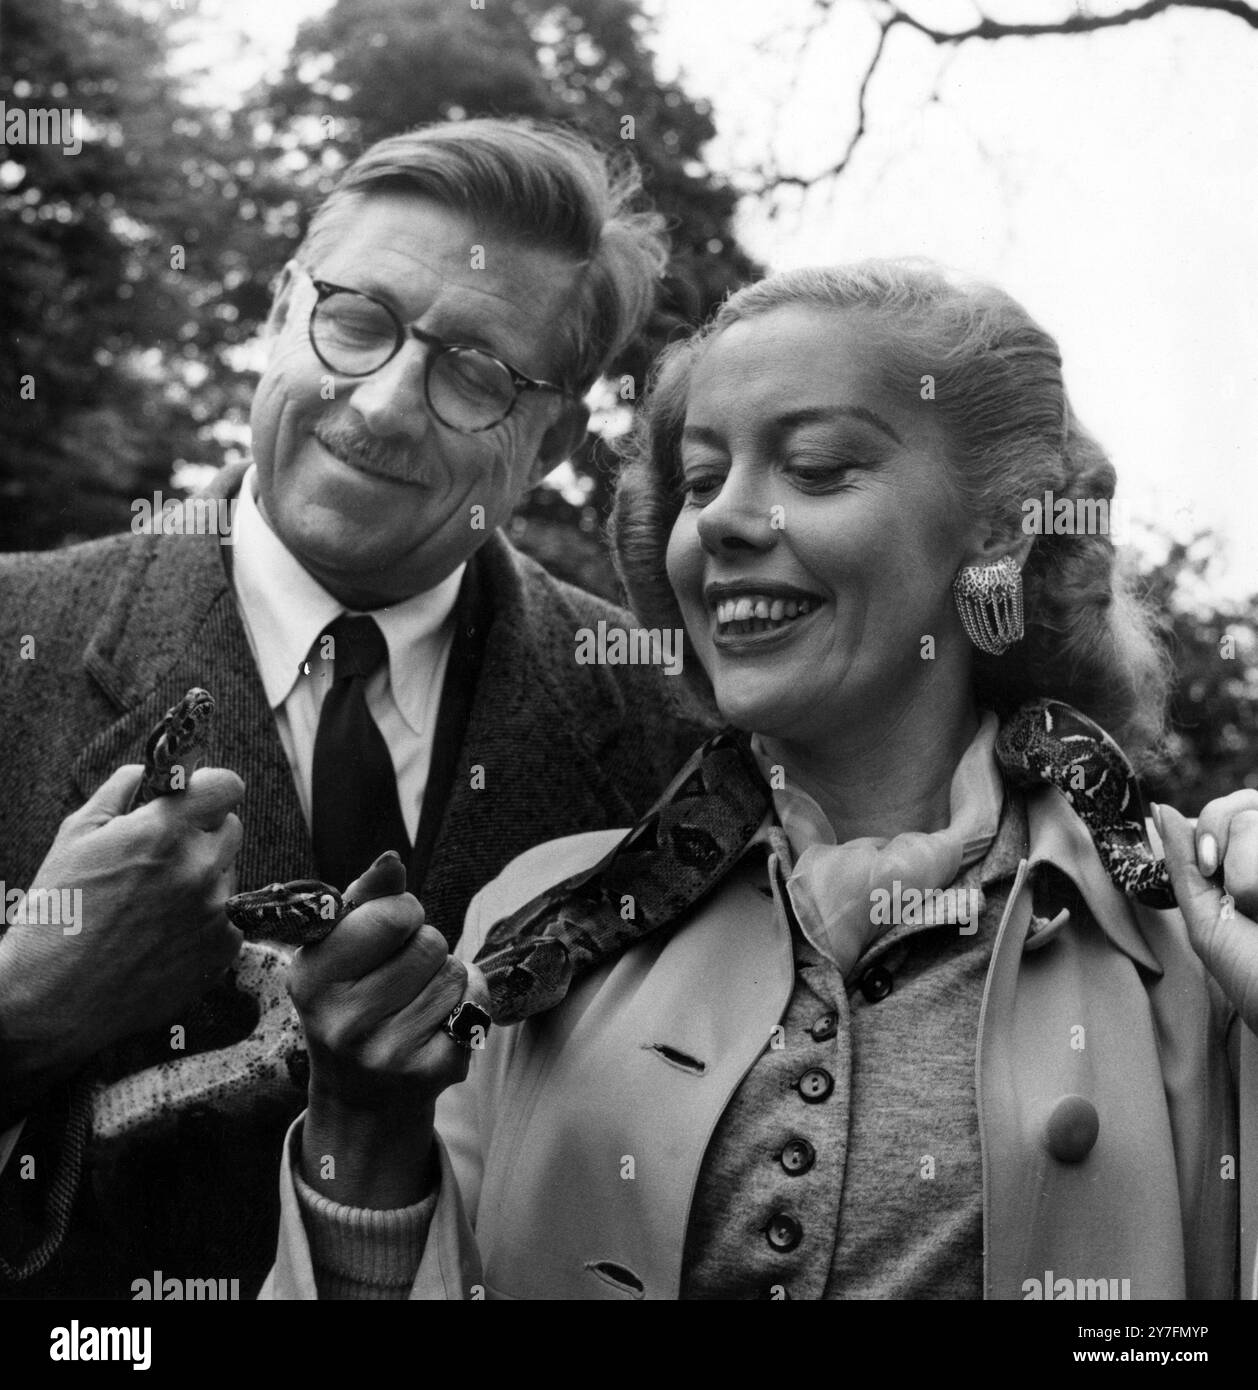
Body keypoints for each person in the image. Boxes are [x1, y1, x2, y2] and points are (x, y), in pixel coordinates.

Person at [265, 259, 1258, 1300]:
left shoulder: (1202, 937)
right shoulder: (530, 921)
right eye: (698, 482)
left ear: (1003, 525)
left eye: (818, 468)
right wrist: (363, 1142)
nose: (725, 521)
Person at [0, 118, 701, 1298]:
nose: (379, 406)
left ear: (554, 439)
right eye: (356, 320)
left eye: (477, 373)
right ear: (283, 307)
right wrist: (24, 1010)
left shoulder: (670, 739)